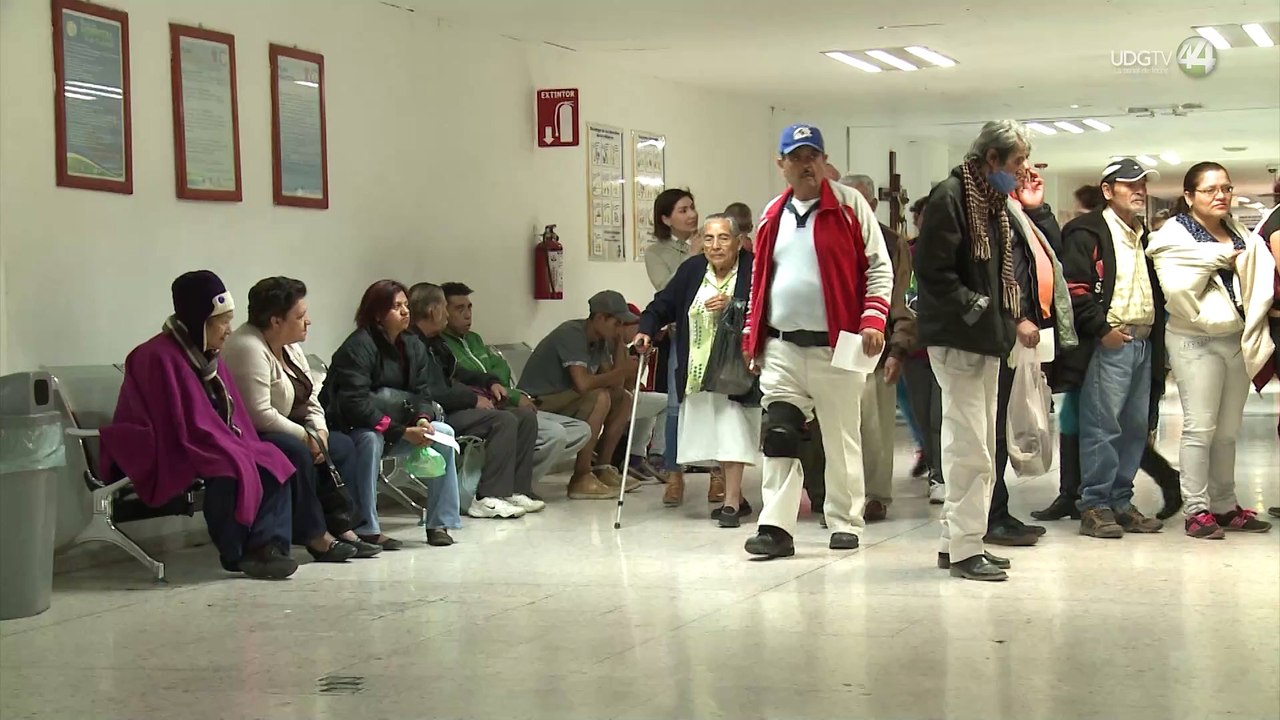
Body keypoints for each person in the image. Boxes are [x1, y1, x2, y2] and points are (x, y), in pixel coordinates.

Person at [916, 121, 1076, 580]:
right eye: (1017, 161)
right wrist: (981, 308)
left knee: (980, 443)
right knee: (970, 448)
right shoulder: (952, 196)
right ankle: (967, 549)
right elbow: (934, 271)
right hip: (959, 337)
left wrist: (1001, 318)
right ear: (991, 159)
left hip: (987, 338)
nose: (1023, 169)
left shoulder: (993, 202)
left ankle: (956, 541)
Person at [741, 123, 892, 558]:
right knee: (779, 434)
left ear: (825, 161)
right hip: (782, 347)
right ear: (781, 164)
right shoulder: (773, 213)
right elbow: (759, 280)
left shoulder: (849, 206)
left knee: (841, 438)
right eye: (797, 157)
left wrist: (873, 320)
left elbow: (879, 267)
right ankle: (775, 528)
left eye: (813, 157)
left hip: (837, 346)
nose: (806, 165)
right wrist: (753, 338)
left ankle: (845, 521)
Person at [100, 271, 303, 579]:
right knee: (227, 464)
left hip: (207, 437)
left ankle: (268, 547)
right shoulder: (153, 356)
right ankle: (236, 552)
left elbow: (230, 412)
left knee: (273, 459)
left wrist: (233, 440)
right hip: (164, 443)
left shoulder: (210, 355)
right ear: (199, 320)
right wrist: (224, 441)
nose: (229, 330)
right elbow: (167, 419)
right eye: (223, 321)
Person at [1147, 162, 1275, 539]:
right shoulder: (1173, 234)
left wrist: (1234, 257)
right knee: (1200, 427)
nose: (1221, 196)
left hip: (1235, 337)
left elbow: (1256, 266)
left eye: (1226, 188)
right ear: (1189, 196)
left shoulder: (1237, 231)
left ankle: (1224, 505)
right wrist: (1224, 257)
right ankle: (1196, 510)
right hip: (1194, 338)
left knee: (1228, 430)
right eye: (1210, 190)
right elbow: (1177, 287)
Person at [223, 277, 382, 561]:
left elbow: (311, 396)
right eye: (300, 316)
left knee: (342, 445)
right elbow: (259, 414)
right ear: (275, 321)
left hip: (294, 427)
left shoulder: (290, 345)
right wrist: (306, 437)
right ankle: (315, 535)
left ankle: (342, 526)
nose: (308, 321)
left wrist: (320, 431)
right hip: (254, 432)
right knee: (297, 451)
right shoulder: (247, 347)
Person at [1054, 159, 1167, 539]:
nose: (1139, 191)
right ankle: (1094, 504)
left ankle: (1120, 500)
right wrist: (1102, 331)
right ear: (1107, 190)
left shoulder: (1143, 235)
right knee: (1103, 427)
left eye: (1142, 185)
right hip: (1110, 342)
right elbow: (1073, 288)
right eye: (1129, 184)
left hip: (1143, 341)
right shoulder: (1087, 232)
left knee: (1134, 428)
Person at [635, 214, 760, 526]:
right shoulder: (692, 270)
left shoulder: (753, 268)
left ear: (738, 242)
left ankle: (731, 504)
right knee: (715, 431)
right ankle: (738, 497)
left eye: (723, 238)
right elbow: (663, 303)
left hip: (736, 367)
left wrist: (734, 303)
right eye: (709, 238)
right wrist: (646, 329)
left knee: (732, 429)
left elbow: (766, 307)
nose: (715, 246)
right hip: (698, 367)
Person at [320, 280, 463, 547]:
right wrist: (401, 431)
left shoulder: (413, 345)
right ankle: (367, 527)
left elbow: (423, 394)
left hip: (400, 426)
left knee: (443, 433)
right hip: (356, 426)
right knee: (369, 439)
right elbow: (354, 403)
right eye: (397, 307)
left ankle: (439, 523)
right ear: (377, 313)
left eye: (406, 305)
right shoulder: (358, 346)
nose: (405, 312)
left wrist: (423, 419)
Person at [406, 283, 543, 518]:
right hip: (435, 414)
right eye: (445, 307)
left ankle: (516, 490)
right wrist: (472, 399)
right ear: (432, 310)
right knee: (503, 420)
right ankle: (488, 497)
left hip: (453, 406)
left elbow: (457, 373)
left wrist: (489, 381)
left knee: (525, 417)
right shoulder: (413, 345)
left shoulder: (434, 342)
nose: (447, 314)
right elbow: (432, 391)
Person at [439, 282, 592, 486]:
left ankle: (514, 480)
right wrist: (509, 394)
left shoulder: (474, 339)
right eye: (459, 309)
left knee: (581, 430)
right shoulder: (442, 345)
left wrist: (505, 390)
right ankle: (511, 484)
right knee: (554, 435)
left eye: (469, 308)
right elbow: (465, 380)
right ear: (443, 311)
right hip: (482, 408)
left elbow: (500, 369)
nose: (468, 315)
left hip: (505, 401)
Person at [518, 291, 664, 499]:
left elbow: (617, 386)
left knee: (623, 399)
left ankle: (602, 468)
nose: (619, 328)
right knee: (600, 397)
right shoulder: (572, 334)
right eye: (617, 323)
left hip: (566, 399)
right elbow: (583, 383)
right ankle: (581, 476)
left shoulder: (601, 340)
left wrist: (619, 345)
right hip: (538, 401)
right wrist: (623, 370)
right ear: (600, 318)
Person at [840, 174, 918, 522]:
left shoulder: (890, 241)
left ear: (872, 205)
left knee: (875, 426)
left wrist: (899, 347)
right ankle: (841, 493)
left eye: (860, 201)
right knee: (838, 426)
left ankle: (875, 495)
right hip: (832, 344)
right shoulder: (828, 235)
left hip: (874, 342)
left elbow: (901, 297)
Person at [644, 189, 705, 501]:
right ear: (666, 219)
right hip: (681, 333)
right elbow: (666, 290)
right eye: (683, 210)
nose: (691, 215)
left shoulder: (711, 242)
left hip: (712, 331)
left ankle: (717, 473)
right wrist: (693, 257)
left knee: (714, 401)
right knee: (674, 405)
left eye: (692, 208)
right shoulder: (657, 253)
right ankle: (674, 473)